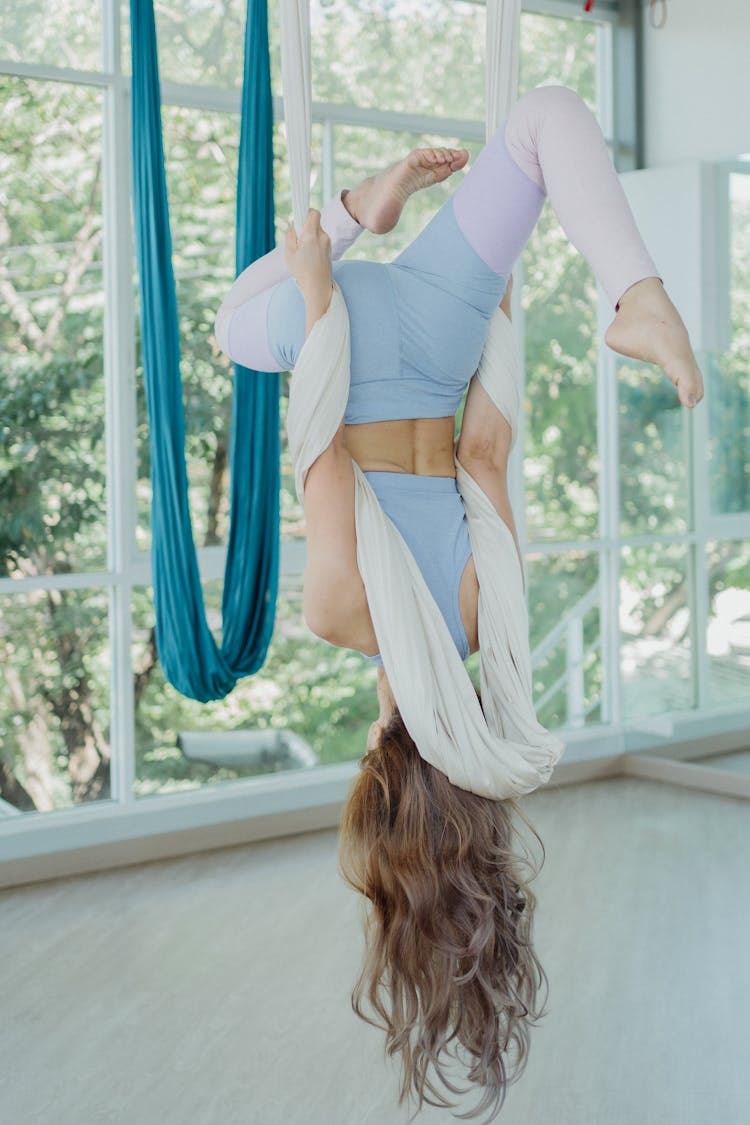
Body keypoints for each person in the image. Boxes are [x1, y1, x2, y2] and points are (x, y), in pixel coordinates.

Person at [215, 84, 704, 1120]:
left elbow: (485, 448)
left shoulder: (488, 621)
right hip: (348, 340)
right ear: (381, 747)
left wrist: (499, 319)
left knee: (543, 121)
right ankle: (362, 206)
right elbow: (318, 455)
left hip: (439, 350)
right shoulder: (342, 615)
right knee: (229, 329)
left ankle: (639, 295)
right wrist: (315, 286)